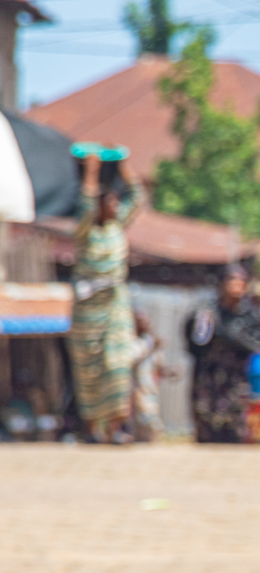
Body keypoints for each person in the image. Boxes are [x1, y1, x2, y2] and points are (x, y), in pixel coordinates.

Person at [66, 154, 144, 445]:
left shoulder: (117, 227)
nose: (115, 207)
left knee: (119, 363)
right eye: (109, 203)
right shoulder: (86, 230)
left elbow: (137, 197)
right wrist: (92, 170)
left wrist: (123, 164)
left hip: (114, 305)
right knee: (89, 369)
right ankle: (92, 429)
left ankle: (117, 427)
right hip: (88, 310)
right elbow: (85, 203)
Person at [187, 265, 260, 443]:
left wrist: (230, 335)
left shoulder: (249, 315)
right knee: (206, 423)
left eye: (240, 282)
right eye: (231, 281)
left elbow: (257, 343)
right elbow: (195, 341)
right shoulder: (207, 312)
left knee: (234, 427)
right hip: (208, 376)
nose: (236, 287)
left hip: (235, 378)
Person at [129, 311, 165, 441]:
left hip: (150, 387)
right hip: (136, 387)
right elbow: (133, 359)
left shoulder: (149, 340)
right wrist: (151, 348)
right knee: (140, 417)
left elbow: (158, 365)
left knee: (151, 416)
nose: (145, 324)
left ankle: (152, 443)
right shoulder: (132, 341)